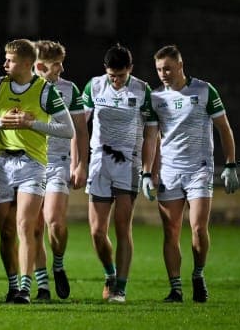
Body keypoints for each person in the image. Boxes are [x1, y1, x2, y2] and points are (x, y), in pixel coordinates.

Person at [0, 38, 73, 304]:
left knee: (25, 226)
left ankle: (25, 289)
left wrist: (34, 125)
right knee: (6, 232)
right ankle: (12, 284)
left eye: (10, 60)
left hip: (32, 164)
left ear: (28, 63)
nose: (5, 63)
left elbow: (69, 130)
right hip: (2, 164)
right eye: (5, 59)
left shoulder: (44, 91)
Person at [141, 45, 239, 303]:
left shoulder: (205, 91)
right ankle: (175, 288)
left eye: (168, 68)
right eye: (159, 69)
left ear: (180, 66)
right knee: (171, 231)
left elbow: (224, 128)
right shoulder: (155, 98)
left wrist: (230, 165)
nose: (163, 73)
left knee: (198, 228)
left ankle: (198, 274)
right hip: (170, 172)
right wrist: (146, 172)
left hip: (199, 170)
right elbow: (151, 137)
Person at [82, 43, 156, 303]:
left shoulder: (142, 90)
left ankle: (121, 288)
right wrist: (79, 162)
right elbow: (80, 126)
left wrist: (147, 172)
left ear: (130, 70)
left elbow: (151, 133)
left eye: (121, 76)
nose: (116, 80)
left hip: (128, 164)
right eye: (112, 75)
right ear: (106, 70)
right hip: (99, 162)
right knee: (96, 231)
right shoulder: (94, 86)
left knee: (123, 227)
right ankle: (110, 274)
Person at [32, 40, 89, 301]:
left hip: (57, 162)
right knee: (32, 228)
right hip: (28, 162)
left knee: (54, 221)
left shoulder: (69, 89)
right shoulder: (22, 87)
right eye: (57, 65)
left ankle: (58, 263)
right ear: (40, 65)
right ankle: (43, 285)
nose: (62, 69)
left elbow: (80, 128)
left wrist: (80, 163)